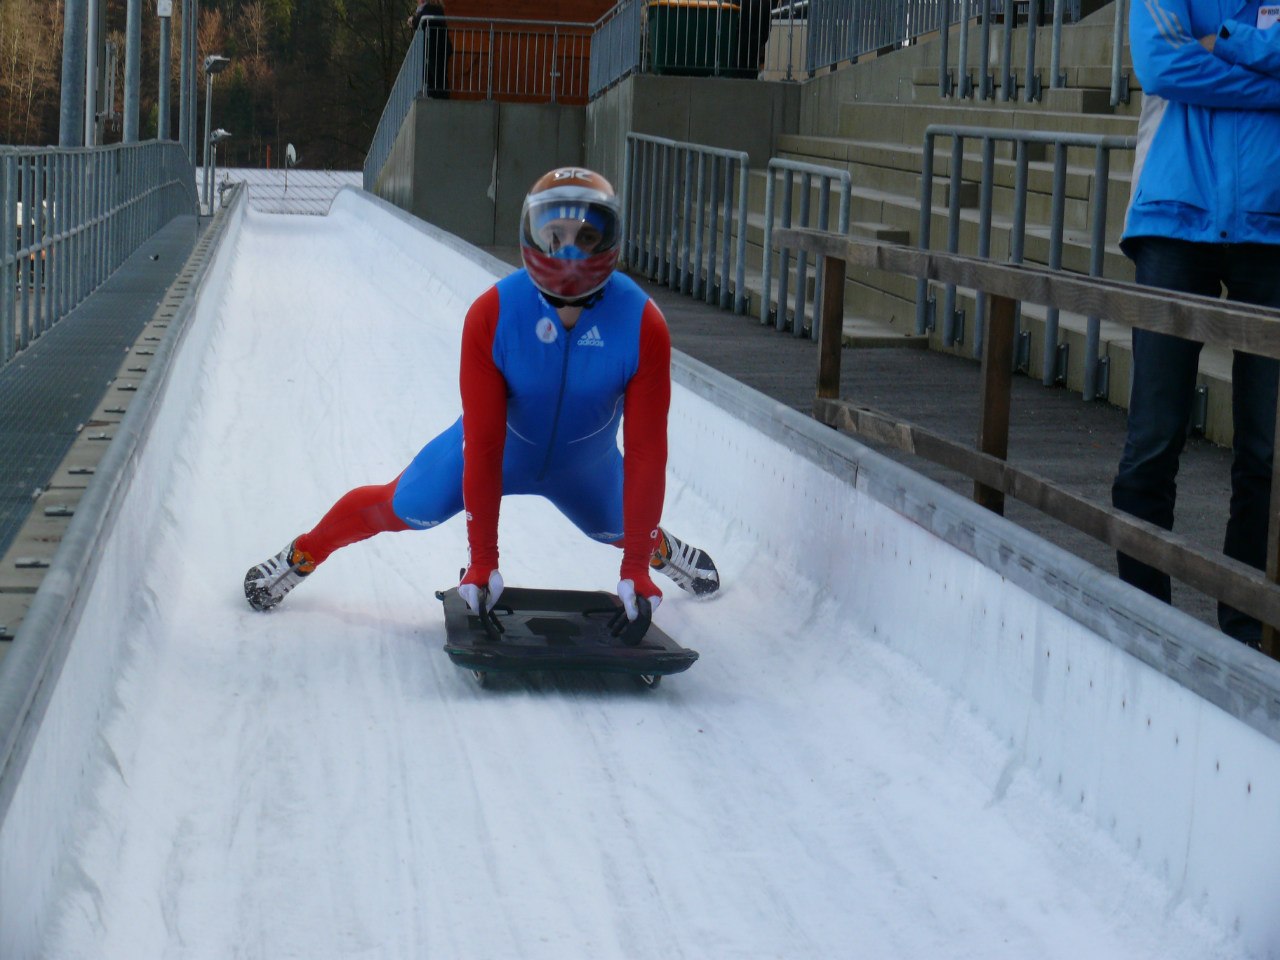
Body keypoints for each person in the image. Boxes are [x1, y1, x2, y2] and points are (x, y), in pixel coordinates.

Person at [244, 166, 720, 622]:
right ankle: (303, 553)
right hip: (497, 451)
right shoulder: (493, 315)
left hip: (585, 468)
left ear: (608, 242)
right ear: (535, 237)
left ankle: (657, 549)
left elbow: (645, 454)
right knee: (406, 506)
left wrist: (634, 565)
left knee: (618, 526)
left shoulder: (643, 325)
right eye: (557, 237)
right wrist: (482, 560)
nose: (570, 255)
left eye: (587, 238)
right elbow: (486, 445)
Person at [1113, 1, 1280, 648]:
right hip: (1173, 219)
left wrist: (1221, 41)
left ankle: (1245, 635)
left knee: (1266, 454)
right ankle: (1143, 629)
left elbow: (1189, 63)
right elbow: (1161, 65)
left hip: (1270, 225)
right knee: (1154, 438)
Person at [408, 0, 451, 99]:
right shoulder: (430, 9)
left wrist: (413, 20)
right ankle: (434, 96)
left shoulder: (432, 8)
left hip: (436, 48)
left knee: (436, 74)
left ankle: (439, 97)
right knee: (433, 74)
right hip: (435, 48)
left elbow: (422, 20)